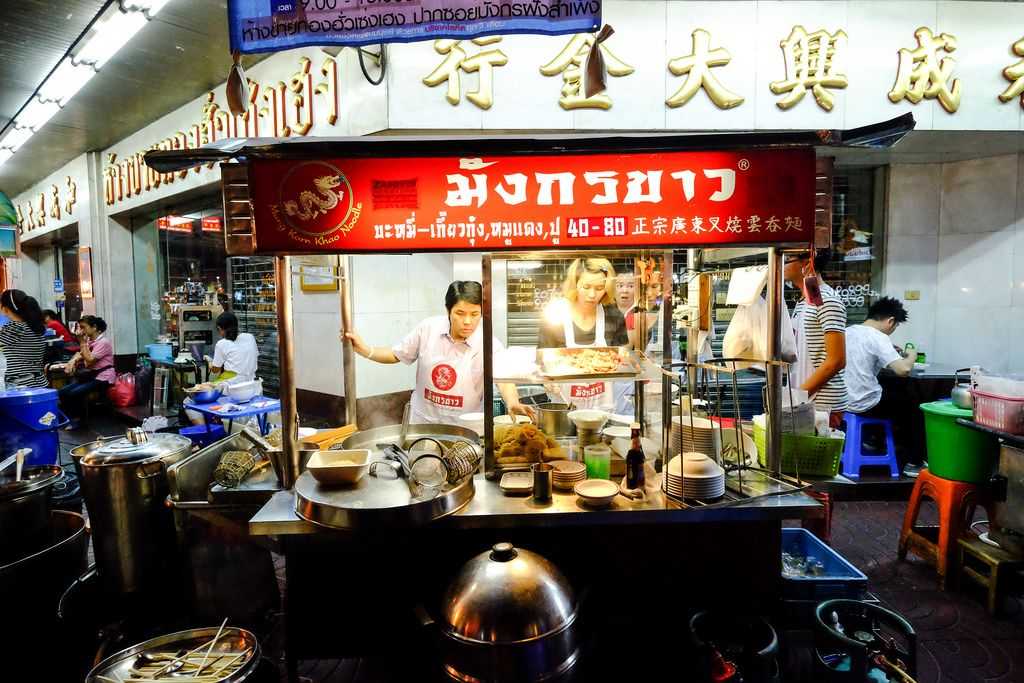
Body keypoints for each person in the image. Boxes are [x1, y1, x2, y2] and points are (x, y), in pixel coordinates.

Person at [344, 281, 534, 425]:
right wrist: (365, 350)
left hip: (464, 426)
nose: (467, 321)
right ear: (448, 311)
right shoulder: (428, 329)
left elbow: (503, 378)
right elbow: (396, 355)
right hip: (423, 424)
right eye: (460, 313)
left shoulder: (488, 342)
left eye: (474, 314)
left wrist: (513, 401)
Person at [844, 297, 923, 476]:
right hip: (866, 405)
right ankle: (914, 462)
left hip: (844, 402)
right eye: (894, 327)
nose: (892, 331)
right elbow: (903, 369)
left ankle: (873, 440)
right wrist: (911, 355)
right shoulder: (879, 337)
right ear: (890, 321)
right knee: (916, 405)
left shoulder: (848, 331)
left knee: (893, 391)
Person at [538, 258, 630, 411]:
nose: (592, 294)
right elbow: (541, 359)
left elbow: (622, 358)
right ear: (575, 284)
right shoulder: (555, 314)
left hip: (602, 410)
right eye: (586, 287)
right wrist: (546, 379)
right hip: (562, 408)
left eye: (600, 287)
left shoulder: (614, 316)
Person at [785, 250, 847, 427]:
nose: (782, 264)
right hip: (804, 399)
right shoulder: (806, 300)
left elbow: (837, 360)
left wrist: (800, 395)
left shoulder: (828, 300)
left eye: (788, 259)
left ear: (807, 263)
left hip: (822, 404)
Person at [187, 312, 259, 425]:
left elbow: (215, 370)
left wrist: (210, 362)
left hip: (232, 391)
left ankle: (204, 429)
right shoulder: (250, 338)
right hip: (251, 388)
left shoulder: (222, 344)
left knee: (188, 401)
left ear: (220, 329)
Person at [59, 315, 115, 429]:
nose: (81, 331)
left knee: (75, 393)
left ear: (94, 327)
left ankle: (79, 421)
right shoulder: (91, 341)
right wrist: (72, 362)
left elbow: (89, 360)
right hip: (91, 376)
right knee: (62, 392)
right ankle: (67, 419)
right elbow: (80, 353)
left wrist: (82, 342)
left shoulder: (103, 342)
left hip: (103, 378)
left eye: (83, 327)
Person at [0, 289, 48, 388]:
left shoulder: (15, 328)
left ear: (5, 309)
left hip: (19, 385)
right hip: (38, 382)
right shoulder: (33, 325)